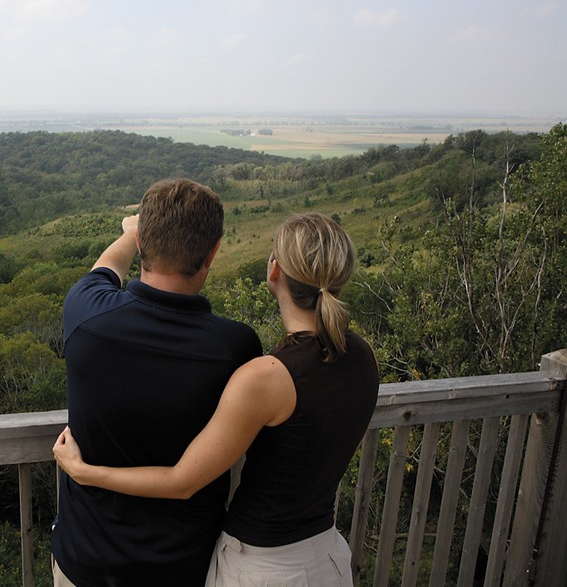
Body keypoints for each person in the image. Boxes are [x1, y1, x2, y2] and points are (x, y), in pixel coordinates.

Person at [54, 212, 379, 586]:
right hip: (326, 556)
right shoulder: (362, 354)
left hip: (261, 567)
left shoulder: (267, 376)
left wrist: (84, 472)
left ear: (274, 270)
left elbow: (181, 481)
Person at [51, 178, 263, 587]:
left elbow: (107, 267)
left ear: (144, 245)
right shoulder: (235, 347)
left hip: (86, 563)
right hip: (182, 566)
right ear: (212, 252)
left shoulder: (86, 314)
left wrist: (129, 234)